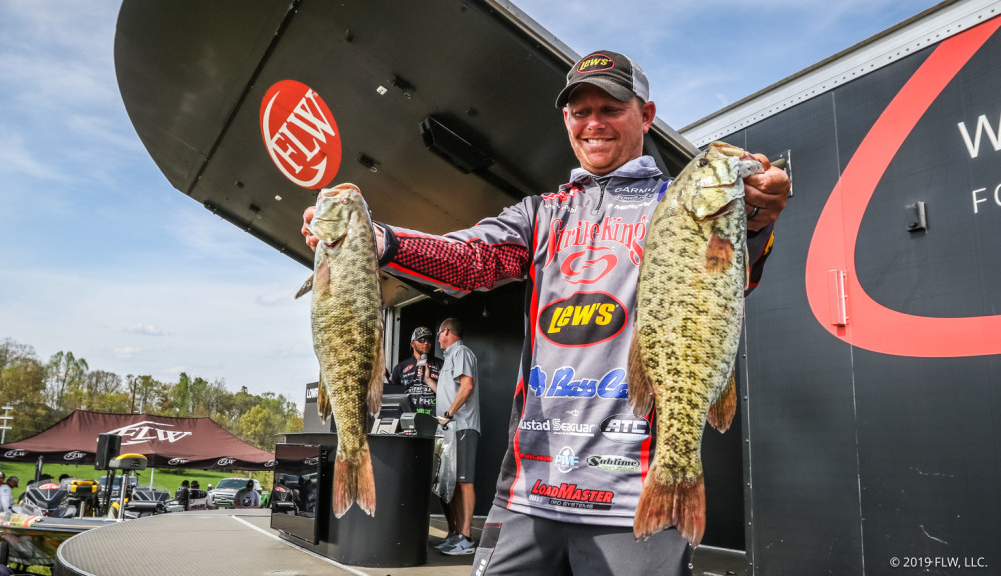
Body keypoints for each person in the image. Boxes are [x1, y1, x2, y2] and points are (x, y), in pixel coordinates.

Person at [301, 50, 789, 575]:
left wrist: (754, 214)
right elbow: (470, 259)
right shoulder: (542, 214)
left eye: (612, 107)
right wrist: (377, 241)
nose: (594, 123)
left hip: (634, 496)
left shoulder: (678, 204)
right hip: (529, 493)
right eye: (581, 112)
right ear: (566, 121)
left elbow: (729, 279)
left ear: (645, 116)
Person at [428, 318, 481, 556]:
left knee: (464, 482)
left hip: (463, 427)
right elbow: (449, 391)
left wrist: (448, 414)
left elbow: (466, 387)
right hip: (449, 429)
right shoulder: (450, 357)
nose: (437, 338)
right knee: (452, 485)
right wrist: (429, 380)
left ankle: (466, 538)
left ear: (447, 331)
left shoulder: (461, 352)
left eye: (439, 333)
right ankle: (457, 534)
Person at [388, 326, 443, 415]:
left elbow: (449, 394)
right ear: (413, 344)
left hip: (435, 419)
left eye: (429, 340)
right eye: (422, 340)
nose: (426, 343)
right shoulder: (400, 368)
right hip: (408, 418)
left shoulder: (441, 365)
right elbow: (392, 396)